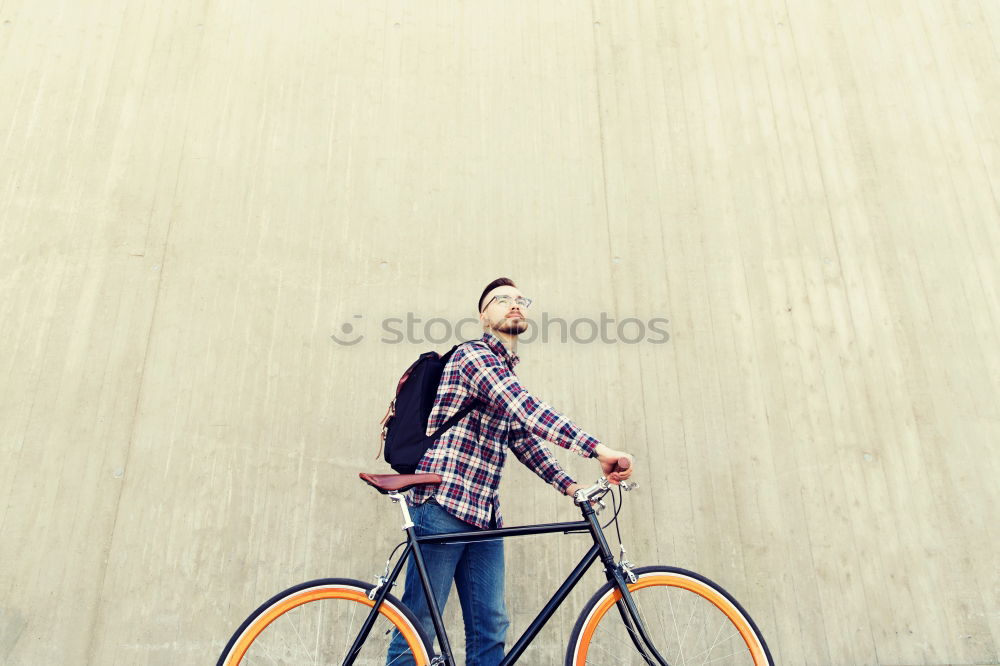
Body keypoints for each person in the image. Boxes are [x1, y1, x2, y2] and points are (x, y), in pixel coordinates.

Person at [385, 277, 634, 666]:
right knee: (417, 631)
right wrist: (597, 448)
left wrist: (571, 486)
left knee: (490, 628)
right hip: (442, 505)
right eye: (501, 300)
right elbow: (525, 409)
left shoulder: (504, 371)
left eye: (520, 300)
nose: (514, 304)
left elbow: (523, 440)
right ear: (484, 316)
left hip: (485, 516)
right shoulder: (473, 357)